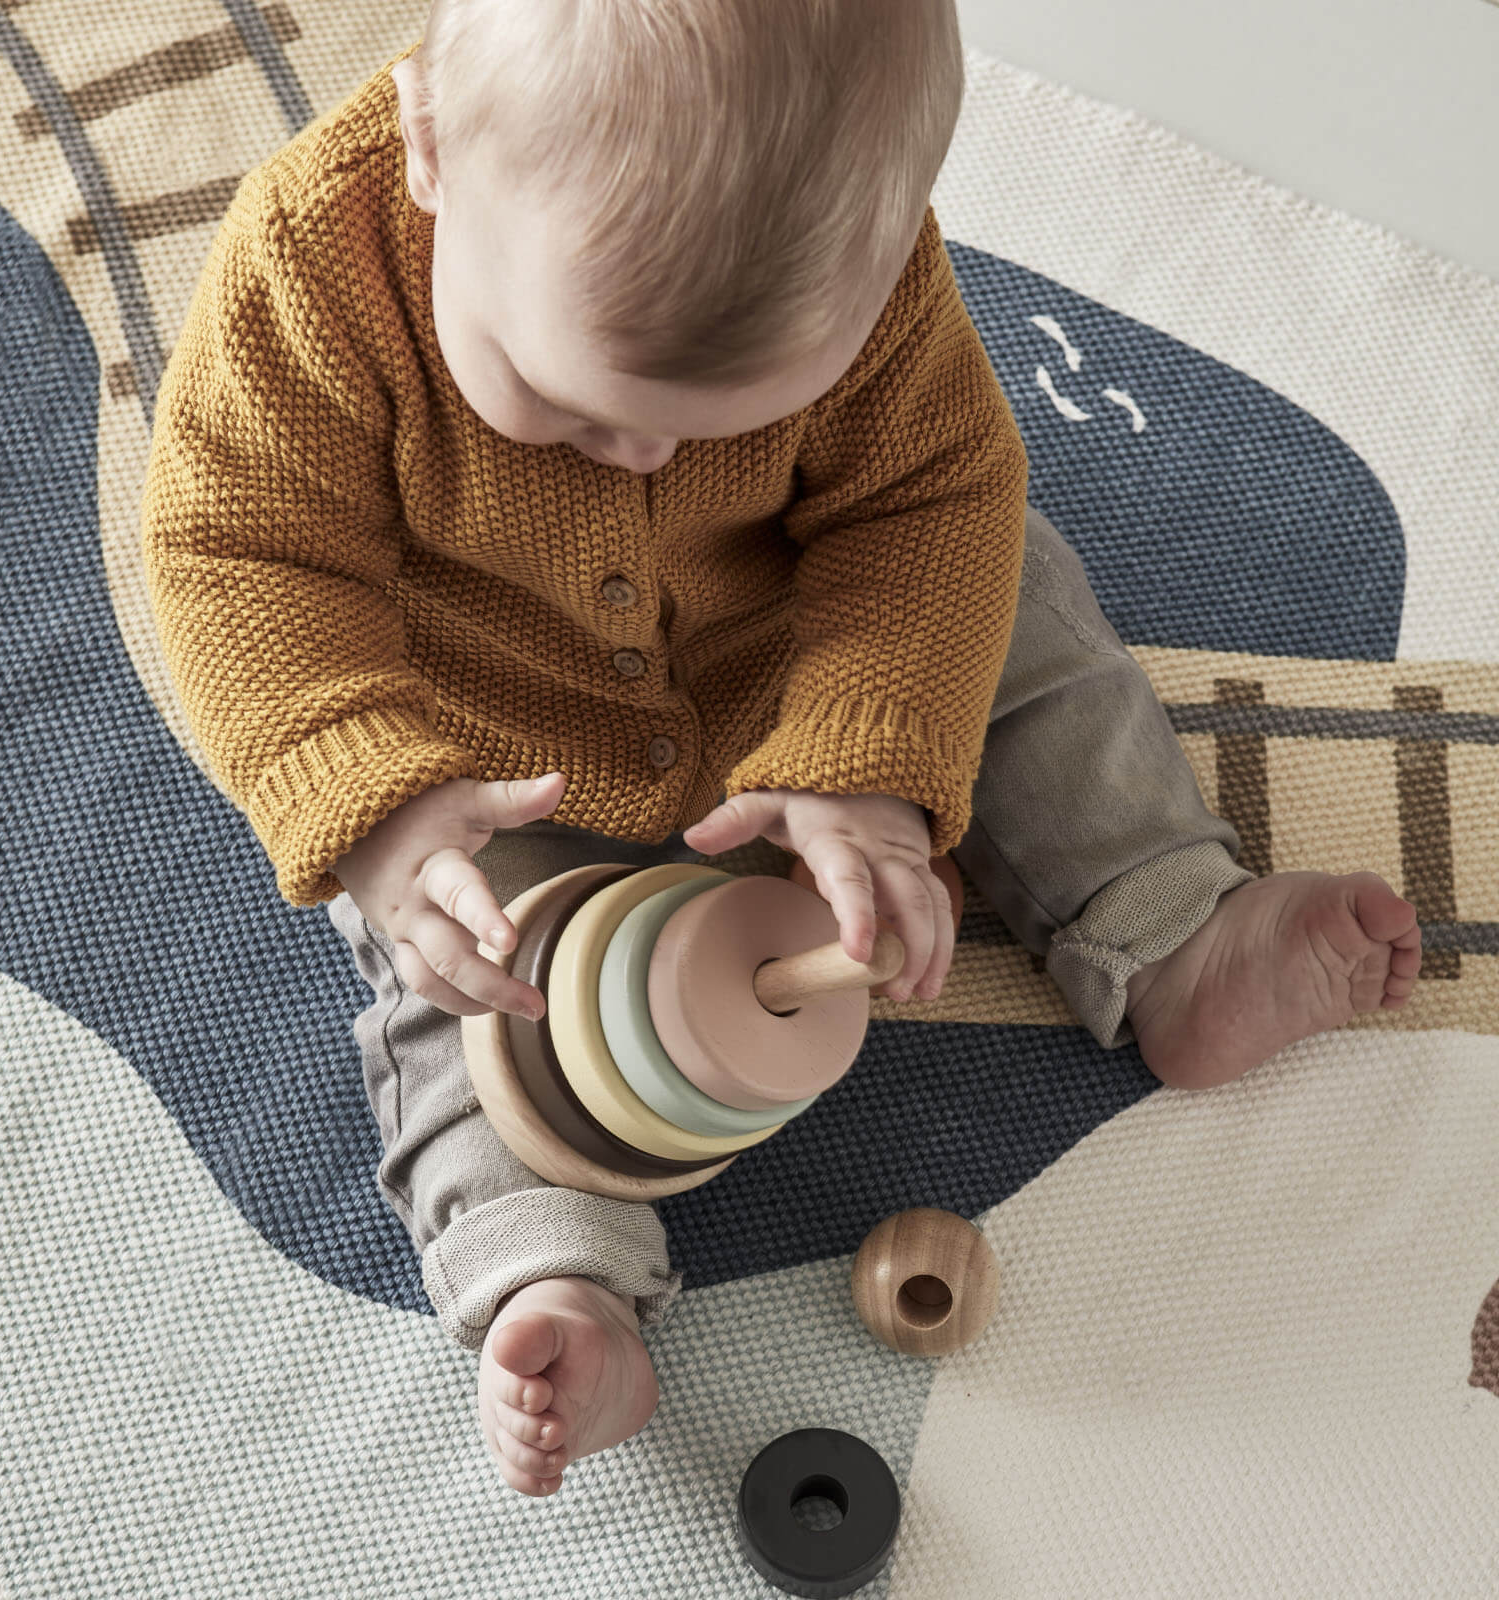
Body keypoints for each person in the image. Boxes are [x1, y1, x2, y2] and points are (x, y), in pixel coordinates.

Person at [139, 0, 1423, 1500]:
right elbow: (238, 554)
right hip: (486, 746)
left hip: (806, 644)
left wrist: (872, 762)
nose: (639, 460)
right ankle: (559, 1281)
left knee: (1013, 600)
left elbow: (927, 498)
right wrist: (378, 805)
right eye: (562, 402)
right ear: (431, 153)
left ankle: (1167, 926)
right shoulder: (311, 268)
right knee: (463, 973)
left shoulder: (870, 280)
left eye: (724, 421)